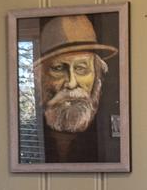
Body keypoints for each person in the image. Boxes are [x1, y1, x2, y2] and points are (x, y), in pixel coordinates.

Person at [32, 14, 118, 164]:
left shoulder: (107, 140)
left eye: (81, 68)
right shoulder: (31, 137)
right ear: (41, 77)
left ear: (97, 76)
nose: (71, 83)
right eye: (58, 68)